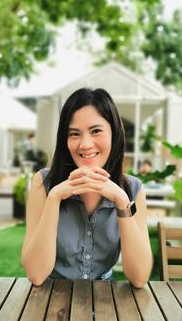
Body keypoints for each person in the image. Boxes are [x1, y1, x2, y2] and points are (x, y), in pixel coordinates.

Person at [22, 88, 153, 287]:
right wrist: (54, 199)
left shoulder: (133, 189)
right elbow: (36, 275)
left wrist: (122, 202)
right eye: (74, 134)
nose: (85, 144)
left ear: (114, 134)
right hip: (51, 297)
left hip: (104, 301)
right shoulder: (43, 182)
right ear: (65, 140)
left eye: (96, 131)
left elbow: (139, 278)